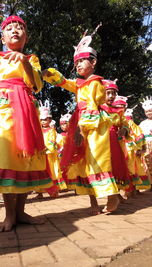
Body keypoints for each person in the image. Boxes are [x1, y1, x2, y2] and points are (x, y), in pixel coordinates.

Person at [0, 15, 54, 232]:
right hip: (2, 111)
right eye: (10, 28)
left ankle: (21, 212)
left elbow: (36, 85)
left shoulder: (32, 59)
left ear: (26, 37)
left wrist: (25, 62)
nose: (15, 31)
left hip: (27, 109)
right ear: (2, 37)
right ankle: (10, 214)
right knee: (6, 159)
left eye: (20, 28)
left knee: (24, 159)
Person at [43, 25, 120, 214]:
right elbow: (65, 83)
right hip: (81, 124)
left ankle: (112, 196)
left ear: (93, 62)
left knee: (98, 159)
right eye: (76, 63)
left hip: (93, 126)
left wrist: (79, 129)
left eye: (82, 62)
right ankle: (93, 201)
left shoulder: (95, 83)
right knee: (84, 161)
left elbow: (93, 106)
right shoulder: (80, 84)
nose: (78, 66)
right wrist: (50, 74)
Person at [34, 101, 66, 199]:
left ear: (49, 119)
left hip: (50, 155)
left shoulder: (52, 130)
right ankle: (39, 192)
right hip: (41, 154)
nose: (43, 121)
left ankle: (54, 191)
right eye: (41, 119)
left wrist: (49, 148)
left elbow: (53, 140)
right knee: (41, 171)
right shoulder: (38, 130)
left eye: (45, 119)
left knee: (52, 172)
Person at [139, 96, 152, 189]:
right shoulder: (143, 123)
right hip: (147, 146)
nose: (149, 113)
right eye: (147, 111)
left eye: (150, 110)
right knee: (148, 164)